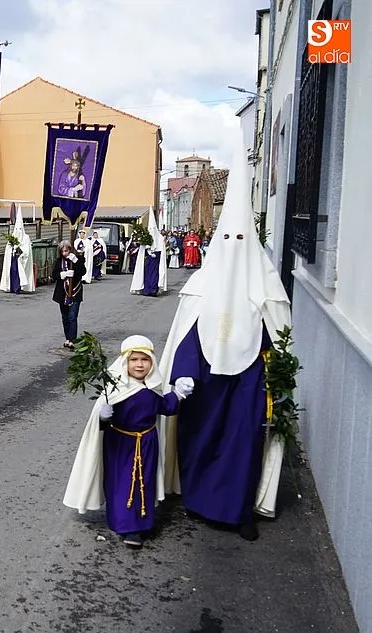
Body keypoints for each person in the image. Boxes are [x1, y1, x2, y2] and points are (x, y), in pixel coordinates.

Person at [157, 131, 291, 541]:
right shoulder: (200, 285)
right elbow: (185, 335)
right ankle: (198, 501)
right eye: (227, 240)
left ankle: (237, 511)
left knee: (242, 447)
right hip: (205, 382)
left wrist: (277, 377)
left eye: (240, 240)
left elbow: (278, 334)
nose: (233, 248)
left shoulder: (267, 286)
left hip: (248, 385)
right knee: (200, 439)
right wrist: (183, 375)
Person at [63, 336, 195, 547]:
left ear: (152, 362)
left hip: (146, 444)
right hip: (119, 444)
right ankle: (125, 525)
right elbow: (100, 420)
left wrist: (178, 394)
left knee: (144, 482)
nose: (140, 364)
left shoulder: (151, 389)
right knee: (121, 483)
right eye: (134, 359)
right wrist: (104, 416)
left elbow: (165, 407)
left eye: (145, 359)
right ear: (125, 362)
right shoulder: (115, 390)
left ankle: (139, 526)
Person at [51, 241, 86, 350]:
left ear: (70, 250)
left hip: (75, 291)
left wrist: (75, 262)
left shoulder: (78, 259)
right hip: (62, 293)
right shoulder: (59, 261)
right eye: (62, 251)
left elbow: (83, 271)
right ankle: (67, 338)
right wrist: (63, 274)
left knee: (72, 316)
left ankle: (72, 339)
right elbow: (54, 275)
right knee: (65, 317)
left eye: (66, 251)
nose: (65, 253)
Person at [130, 210, 168, 297]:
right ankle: (147, 290)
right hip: (148, 261)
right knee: (147, 276)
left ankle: (154, 290)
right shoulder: (145, 237)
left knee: (154, 276)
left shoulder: (160, 239)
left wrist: (156, 253)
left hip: (156, 262)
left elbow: (162, 251)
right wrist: (147, 251)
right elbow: (142, 251)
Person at [0, 204, 35, 294]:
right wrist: (12, 248)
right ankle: (11, 287)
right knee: (12, 273)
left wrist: (20, 251)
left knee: (19, 274)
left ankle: (18, 288)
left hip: (20, 260)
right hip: (13, 259)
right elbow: (8, 248)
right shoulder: (12, 237)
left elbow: (27, 251)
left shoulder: (26, 238)